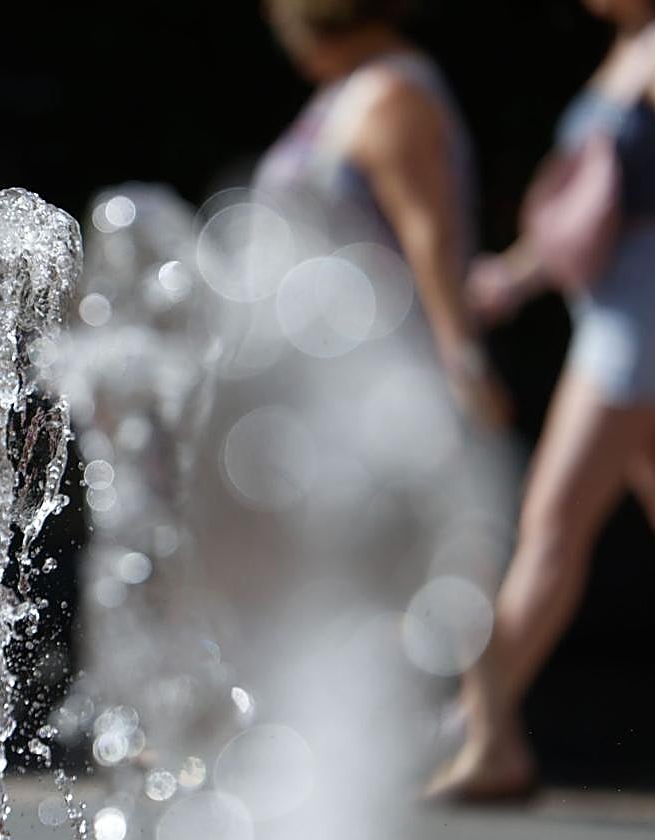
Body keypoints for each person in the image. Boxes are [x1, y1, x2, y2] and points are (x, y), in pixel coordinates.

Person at [429, 0, 655, 800]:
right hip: (615, 319)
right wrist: (516, 278)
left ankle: (471, 733)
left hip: (637, 333)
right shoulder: (627, 47)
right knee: (557, 530)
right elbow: (597, 202)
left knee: (550, 527)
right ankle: (478, 734)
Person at [257, 0, 510, 428]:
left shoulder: (393, 95)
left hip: (387, 377)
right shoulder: (351, 89)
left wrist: (464, 364)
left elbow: (429, 235)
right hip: (330, 366)